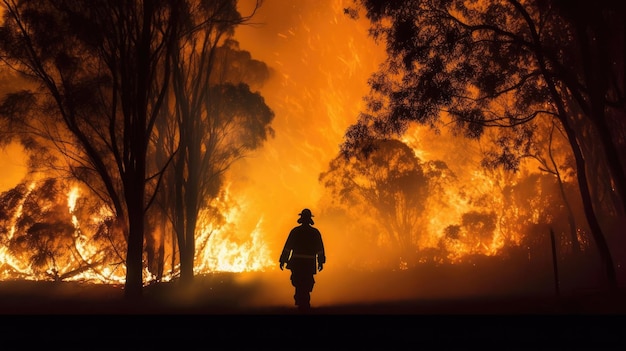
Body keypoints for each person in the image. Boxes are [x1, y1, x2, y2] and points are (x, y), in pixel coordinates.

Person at [279, 208, 326, 312]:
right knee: (306, 283)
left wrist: (283, 260)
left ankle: (301, 302)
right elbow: (320, 249)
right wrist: (321, 262)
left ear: (301, 218)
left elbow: (287, 247)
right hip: (309, 264)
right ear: (310, 219)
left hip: (297, 263)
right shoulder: (315, 233)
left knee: (298, 282)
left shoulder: (295, 231)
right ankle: (304, 302)